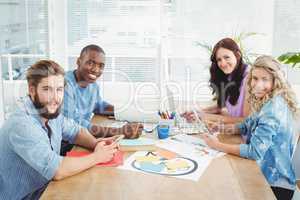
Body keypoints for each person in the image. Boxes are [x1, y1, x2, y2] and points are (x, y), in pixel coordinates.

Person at [0, 60, 120, 199]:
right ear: (32, 90)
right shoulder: (22, 125)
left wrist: (96, 144)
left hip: (46, 188)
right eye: (47, 89)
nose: (55, 98)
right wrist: (97, 156)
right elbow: (57, 170)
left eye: (59, 90)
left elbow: (77, 132)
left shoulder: (50, 111)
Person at [201, 55, 299, 200]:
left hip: (275, 186)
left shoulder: (272, 110)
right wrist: (222, 128)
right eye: (255, 78)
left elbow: (254, 152)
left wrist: (217, 145)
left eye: (265, 79)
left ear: (275, 80)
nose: (258, 84)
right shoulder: (269, 99)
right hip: (265, 176)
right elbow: (247, 125)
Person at [63, 44, 143, 139]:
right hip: (66, 141)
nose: (96, 70)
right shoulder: (64, 85)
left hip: (82, 136)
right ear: (78, 61)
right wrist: (119, 131)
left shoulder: (93, 85)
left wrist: (128, 113)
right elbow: (73, 124)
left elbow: (98, 106)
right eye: (90, 63)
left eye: (101, 66)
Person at [182, 38, 250, 124]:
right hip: (233, 129)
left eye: (226, 57)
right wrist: (197, 111)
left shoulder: (249, 78)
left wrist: (206, 116)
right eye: (219, 60)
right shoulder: (230, 75)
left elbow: (246, 121)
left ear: (238, 55)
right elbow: (221, 106)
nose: (223, 63)